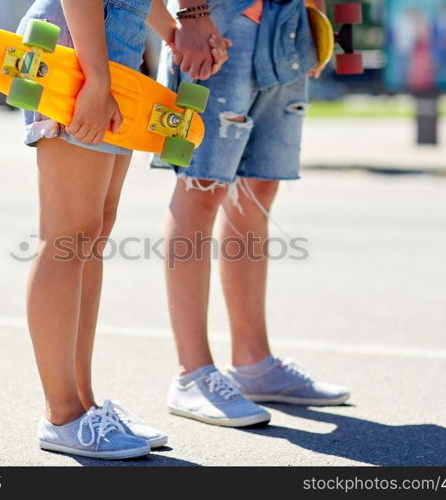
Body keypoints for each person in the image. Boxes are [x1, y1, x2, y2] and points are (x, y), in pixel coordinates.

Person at [17, 0, 229, 459]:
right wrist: (96, 77)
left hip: (115, 47)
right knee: (67, 236)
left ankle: (84, 403)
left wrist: (170, 31)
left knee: (91, 234)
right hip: (79, 43)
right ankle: (62, 414)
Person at [155, 0, 351, 428]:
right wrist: (190, 14)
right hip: (218, 19)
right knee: (201, 186)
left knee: (258, 188)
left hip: (287, 24)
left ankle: (253, 363)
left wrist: (316, 20)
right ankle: (192, 373)